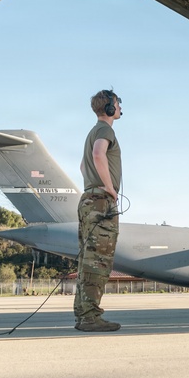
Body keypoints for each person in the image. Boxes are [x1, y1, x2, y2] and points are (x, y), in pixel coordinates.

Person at [73, 89, 124, 332]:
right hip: (101, 202)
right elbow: (97, 154)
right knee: (99, 261)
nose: (120, 107)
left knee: (87, 260)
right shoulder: (105, 130)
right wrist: (109, 188)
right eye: (118, 103)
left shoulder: (93, 131)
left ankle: (83, 314)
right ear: (110, 108)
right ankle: (90, 317)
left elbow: (83, 166)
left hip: (88, 200)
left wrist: (93, 185)